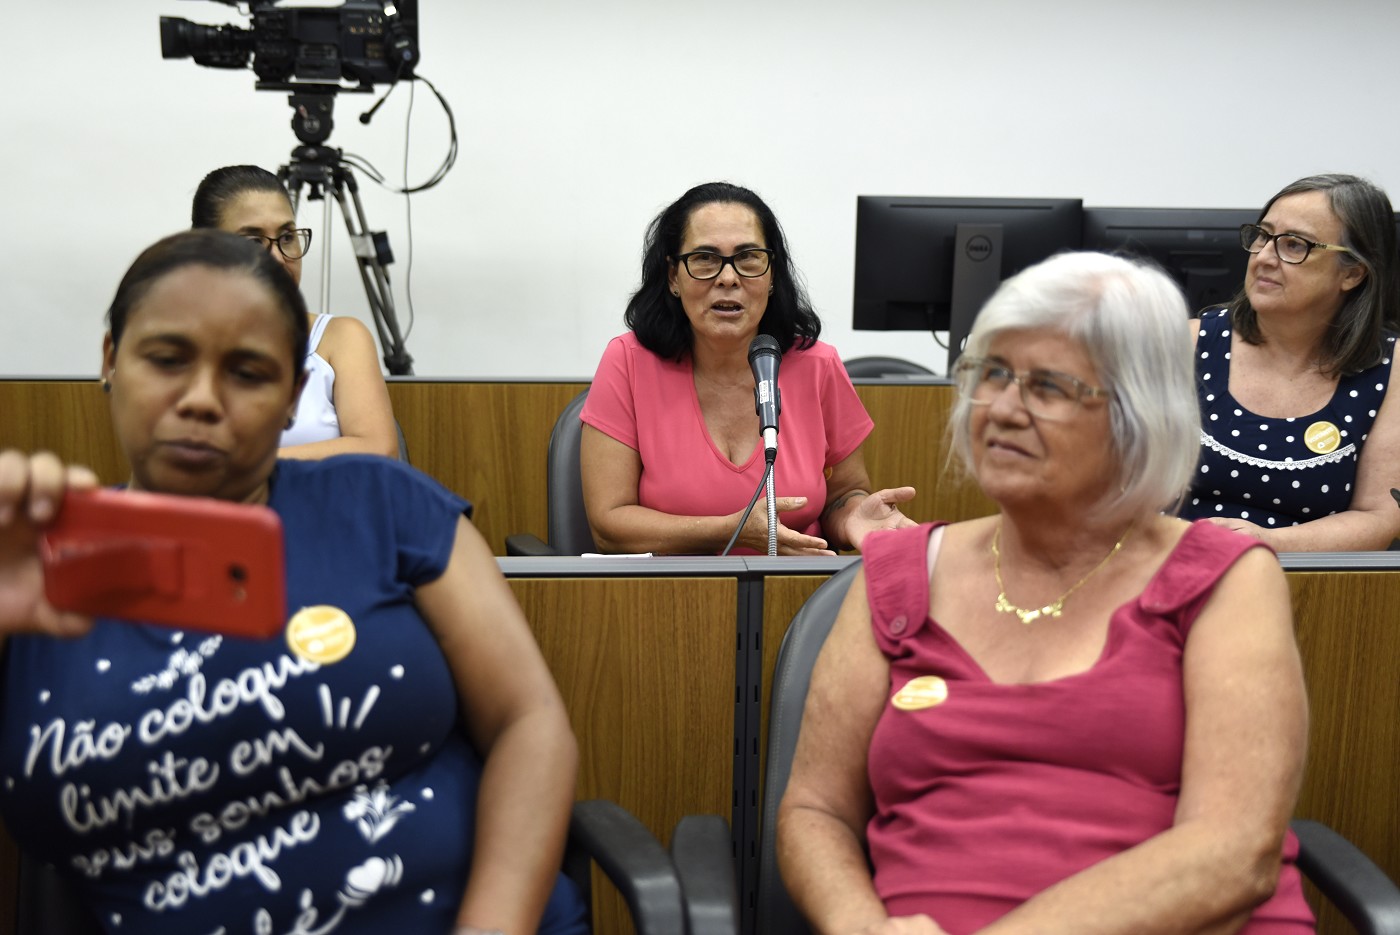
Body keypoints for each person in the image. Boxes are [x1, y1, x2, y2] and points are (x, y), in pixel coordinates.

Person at [0, 230, 585, 934]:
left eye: (248, 372)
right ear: (109, 360)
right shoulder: (32, 570)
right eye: (167, 359)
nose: (202, 399)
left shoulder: (382, 505)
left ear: (293, 396)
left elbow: (529, 722)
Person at [777, 252, 1314, 934]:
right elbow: (815, 810)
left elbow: (1235, 852)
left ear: (1137, 412)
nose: (1003, 408)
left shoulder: (1224, 578)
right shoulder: (897, 574)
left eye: (1050, 386)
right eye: (993, 374)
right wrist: (864, 928)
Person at [580, 181, 915, 555]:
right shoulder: (629, 362)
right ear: (673, 276)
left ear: (772, 276)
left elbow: (844, 493)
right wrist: (734, 530)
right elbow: (608, 524)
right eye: (705, 258)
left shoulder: (818, 366)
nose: (728, 278)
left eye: (749, 258)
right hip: (671, 588)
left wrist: (853, 516)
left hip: (792, 586)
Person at [1180, 173, 1400, 550]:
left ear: (1352, 273)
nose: (1264, 257)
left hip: (1307, 576)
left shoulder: (1391, 368)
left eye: (1294, 245)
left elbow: (1379, 516)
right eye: (1262, 236)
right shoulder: (1186, 343)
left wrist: (1267, 542)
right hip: (1176, 562)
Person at [193, 165, 401, 461]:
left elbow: (378, 449)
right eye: (253, 242)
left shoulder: (339, 338)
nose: (278, 258)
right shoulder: (180, 348)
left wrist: (250, 464)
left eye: (287, 237)